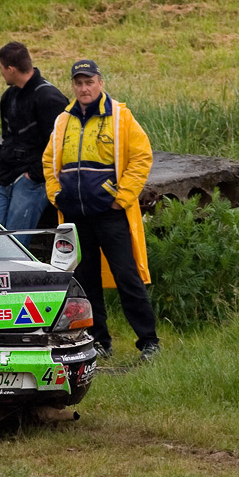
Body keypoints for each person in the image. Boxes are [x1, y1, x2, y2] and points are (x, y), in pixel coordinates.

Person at [43, 59, 159, 361]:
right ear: (73, 86)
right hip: (75, 215)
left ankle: (149, 341)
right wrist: (57, 195)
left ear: (100, 83)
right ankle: (99, 340)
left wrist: (121, 198)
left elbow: (142, 156)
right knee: (86, 279)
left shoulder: (121, 117)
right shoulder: (63, 121)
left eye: (89, 82)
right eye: (78, 83)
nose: (84, 88)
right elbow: (48, 161)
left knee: (126, 276)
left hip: (110, 213)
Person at [0, 42, 68, 238]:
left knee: (16, 240)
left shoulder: (49, 98)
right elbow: (8, 138)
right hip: (6, 174)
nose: (1, 73)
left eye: (1, 69)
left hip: (34, 178)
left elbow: (60, 146)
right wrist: (1, 166)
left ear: (11, 69)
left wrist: (34, 175)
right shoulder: (8, 97)